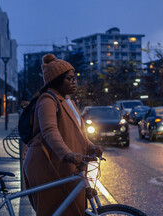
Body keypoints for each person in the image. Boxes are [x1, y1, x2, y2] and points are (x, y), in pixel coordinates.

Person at [23, 54, 103, 216]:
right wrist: (67, 154)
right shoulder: (47, 100)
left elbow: (79, 132)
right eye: (69, 79)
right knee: (54, 210)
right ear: (56, 80)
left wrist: (91, 146)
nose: (74, 82)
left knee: (72, 210)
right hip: (47, 164)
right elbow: (49, 131)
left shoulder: (69, 102)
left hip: (66, 165)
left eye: (74, 78)